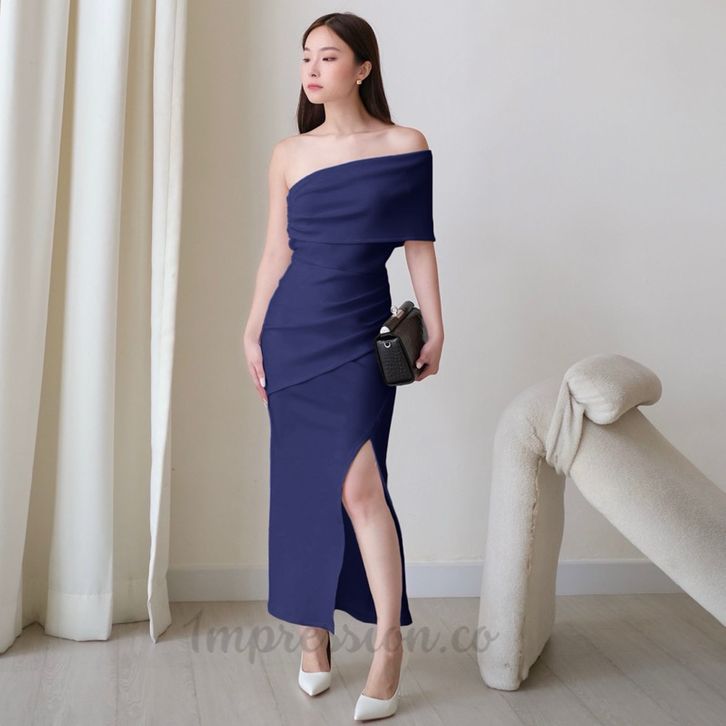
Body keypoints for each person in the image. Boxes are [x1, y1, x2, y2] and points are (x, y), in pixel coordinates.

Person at [243, 11, 444, 720]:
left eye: (328, 56)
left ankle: (389, 644)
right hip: (292, 333)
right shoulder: (288, 154)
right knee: (304, 487)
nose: (312, 68)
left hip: (360, 332)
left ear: (362, 68)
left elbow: (418, 243)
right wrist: (253, 328)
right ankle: (314, 633)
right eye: (306, 57)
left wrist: (437, 324)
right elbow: (277, 252)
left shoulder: (405, 145)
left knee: (361, 486)